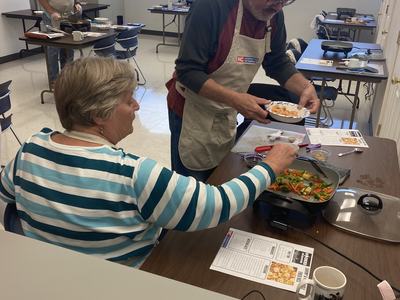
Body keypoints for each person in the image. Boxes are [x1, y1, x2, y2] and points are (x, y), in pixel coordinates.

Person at [0, 57, 298, 268]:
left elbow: (7, 197)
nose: (137, 106)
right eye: (129, 100)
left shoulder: (29, 149)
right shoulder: (133, 173)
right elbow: (216, 205)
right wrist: (270, 165)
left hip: (50, 274)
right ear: (99, 114)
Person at [166, 0, 320, 182]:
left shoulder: (273, 14)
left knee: (220, 176)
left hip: (227, 109)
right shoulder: (211, 6)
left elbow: (276, 61)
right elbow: (188, 71)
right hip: (192, 110)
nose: (278, 7)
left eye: (285, 1)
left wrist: (305, 87)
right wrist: (235, 99)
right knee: (192, 189)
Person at [38, 0, 82, 83]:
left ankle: (67, 76)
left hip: (68, 15)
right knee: (53, 47)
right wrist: (52, 11)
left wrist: (77, 3)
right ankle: (54, 79)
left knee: (68, 46)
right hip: (52, 16)